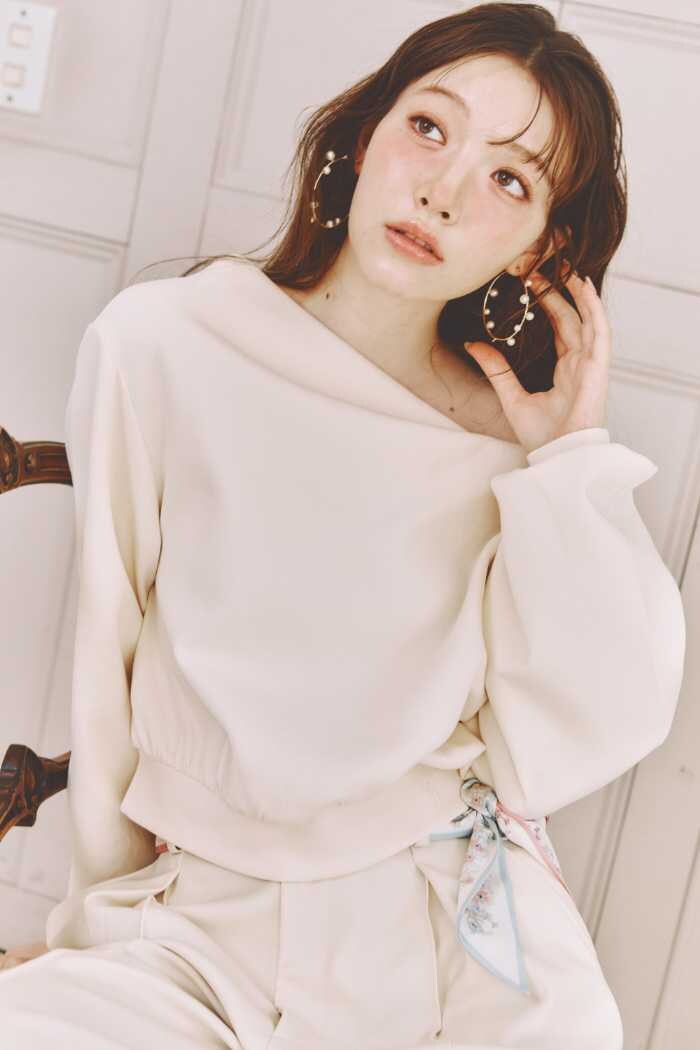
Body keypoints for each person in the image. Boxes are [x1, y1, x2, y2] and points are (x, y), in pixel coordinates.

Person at [0, 4, 686, 1048]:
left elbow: (586, 731)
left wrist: (570, 466)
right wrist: (92, 920)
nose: (442, 190)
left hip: (443, 932)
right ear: (366, 135)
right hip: (194, 929)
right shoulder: (167, 343)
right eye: (429, 127)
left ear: (541, 248)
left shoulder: (516, 454)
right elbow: (107, 662)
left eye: (510, 179)